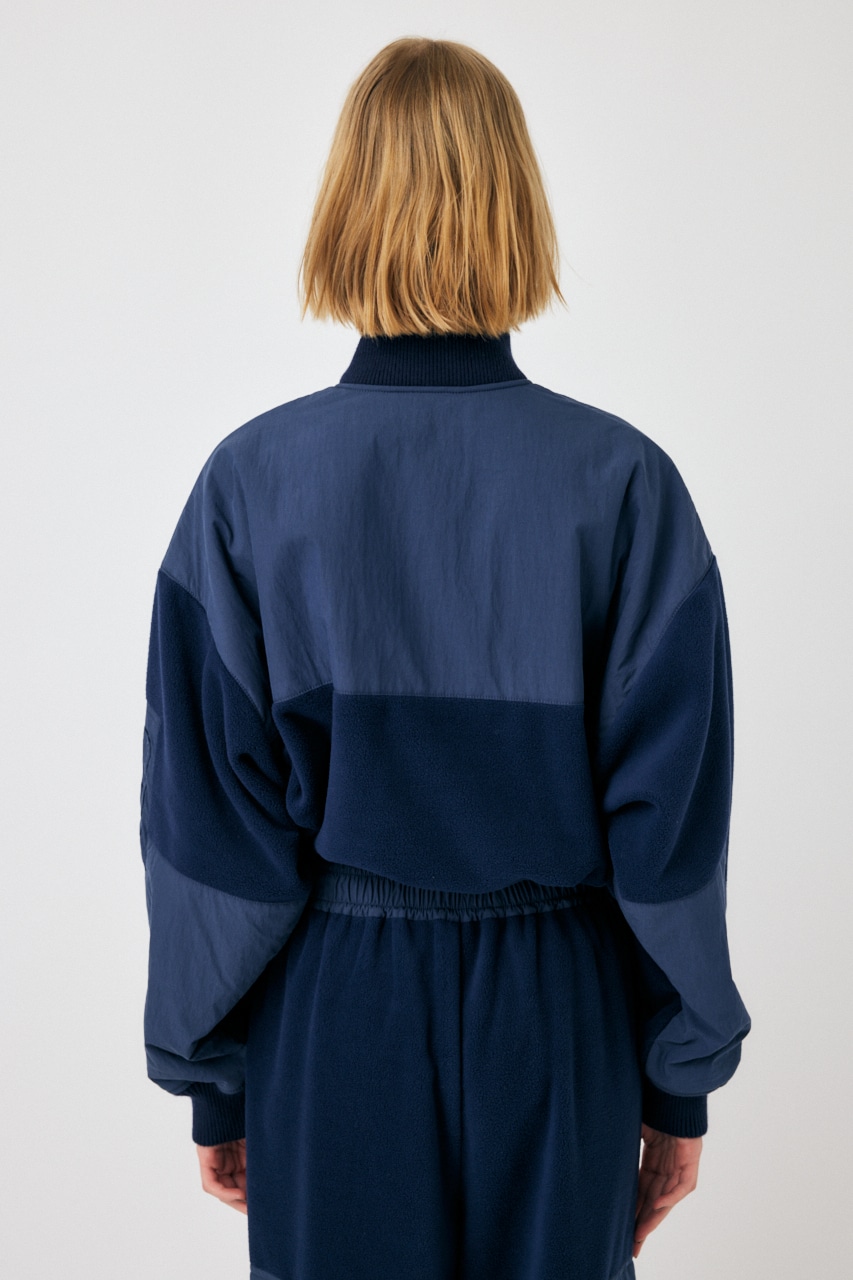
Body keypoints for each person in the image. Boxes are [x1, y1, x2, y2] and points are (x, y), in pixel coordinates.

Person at [138, 36, 751, 1280]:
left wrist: (217, 1081)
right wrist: (674, 1083)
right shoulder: (625, 485)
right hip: (560, 1013)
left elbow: (208, 824)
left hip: (336, 1014)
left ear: (343, 207)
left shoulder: (250, 486)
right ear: (516, 207)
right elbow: (670, 829)